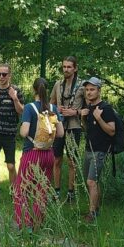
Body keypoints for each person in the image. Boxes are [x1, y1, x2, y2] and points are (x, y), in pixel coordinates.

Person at [14, 78, 64, 228]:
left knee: (21, 190)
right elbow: (60, 133)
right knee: (41, 190)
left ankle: (25, 224)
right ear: (47, 90)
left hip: (32, 153)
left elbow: (24, 132)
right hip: (49, 154)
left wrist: (22, 127)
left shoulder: (29, 108)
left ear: (33, 89)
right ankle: (38, 223)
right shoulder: (53, 108)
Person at [78, 77, 117, 223]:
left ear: (99, 91)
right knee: (92, 181)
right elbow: (88, 130)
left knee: (91, 182)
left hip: (100, 150)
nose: (89, 92)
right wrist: (83, 118)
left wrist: (99, 118)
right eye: (87, 90)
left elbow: (112, 131)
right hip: (89, 149)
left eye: (92, 89)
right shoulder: (89, 108)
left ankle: (92, 214)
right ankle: (96, 209)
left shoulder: (106, 108)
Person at [0, 63, 23, 201]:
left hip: (9, 133)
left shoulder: (16, 90)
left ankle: (14, 193)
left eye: (4, 74)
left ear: (9, 75)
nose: (1, 77)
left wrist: (15, 98)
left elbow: (21, 111)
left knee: (11, 166)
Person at [51, 56, 83, 203]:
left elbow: (88, 109)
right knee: (56, 159)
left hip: (74, 127)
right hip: (59, 126)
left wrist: (75, 112)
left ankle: (71, 192)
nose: (66, 69)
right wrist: (56, 109)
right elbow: (51, 104)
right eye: (64, 66)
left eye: (69, 67)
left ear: (75, 68)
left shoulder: (82, 86)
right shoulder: (58, 84)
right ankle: (56, 191)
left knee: (72, 161)